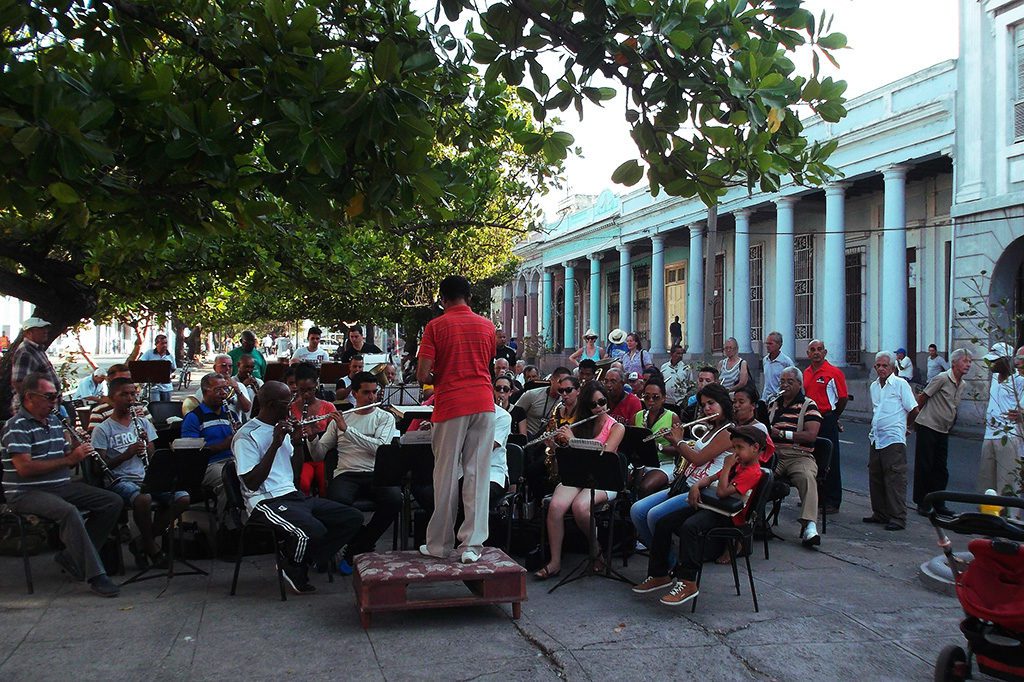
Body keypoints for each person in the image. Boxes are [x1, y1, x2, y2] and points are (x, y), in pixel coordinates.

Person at [232, 381, 363, 594]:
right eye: (288, 401)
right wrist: (275, 443)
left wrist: (298, 441)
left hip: (291, 495)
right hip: (264, 500)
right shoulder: (247, 435)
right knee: (312, 531)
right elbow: (251, 482)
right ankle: (294, 564)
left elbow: (294, 471)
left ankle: (298, 558)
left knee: (352, 517)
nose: (293, 404)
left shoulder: (282, 426)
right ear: (273, 404)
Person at [1, 373, 123, 596]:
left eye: (56, 396)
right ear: (29, 397)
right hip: (26, 492)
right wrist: (69, 459)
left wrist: (77, 445)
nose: (54, 401)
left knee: (112, 501)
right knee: (68, 512)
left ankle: (72, 557)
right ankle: (96, 575)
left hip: (59, 485)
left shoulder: (55, 421)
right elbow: (24, 468)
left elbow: (64, 454)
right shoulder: (16, 426)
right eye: (49, 396)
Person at [633, 425, 764, 606]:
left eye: (739, 448)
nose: (735, 452)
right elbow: (711, 478)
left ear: (755, 448)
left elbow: (722, 491)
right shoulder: (738, 464)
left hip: (728, 515)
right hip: (712, 506)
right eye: (734, 448)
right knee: (664, 522)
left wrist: (727, 466)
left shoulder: (751, 472)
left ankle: (688, 582)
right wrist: (696, 486)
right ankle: (659, 573)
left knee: (690, 527)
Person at [415, 275, 496, 563]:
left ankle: (439, 545)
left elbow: (423, 375)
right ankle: (472, 546)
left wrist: (443, 377)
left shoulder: (435, 326)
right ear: (469, 297)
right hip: (485, 403)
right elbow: (485, 365)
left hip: (451, 404)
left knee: (446, 476)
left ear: (443, 298)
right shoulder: (488, 326)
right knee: (477, 474)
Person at [93, 377, 189, 567]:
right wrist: (126, 454)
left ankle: (143, 541)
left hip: (146, 476)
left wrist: (146, 444)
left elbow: (153, 457)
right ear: (112, 398)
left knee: (182, 497)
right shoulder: (103, 429)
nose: (130, 399)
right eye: (124, 395)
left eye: (132, 394)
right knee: (143, 499)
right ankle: (152, 548)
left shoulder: (142, 422)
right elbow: (101, 467)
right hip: (120, 480)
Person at [534, 381, 625, 579]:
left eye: (602, 401)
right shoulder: (582, 423)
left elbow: (605, 453)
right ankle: (555, 562)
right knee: (556, 506)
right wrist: (556, 445)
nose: (598, 407)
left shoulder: (617, 427)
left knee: (581, 507)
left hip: (604, 479)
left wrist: (573, 440)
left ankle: (596, 549)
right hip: (578, 476)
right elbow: (570, 457)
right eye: (593, 404)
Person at [629, 384, 734, 555]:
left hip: (704, 491)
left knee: (654, 516)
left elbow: (698, 459)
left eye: (711, 403)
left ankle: (664, 564)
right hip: (685, 483)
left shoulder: (728, 432)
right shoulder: (712, 428)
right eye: (703, 405)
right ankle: (665, 558)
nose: (707, 408)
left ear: (724, 403)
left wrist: (678, 441)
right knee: (637, 510)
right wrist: (672, 440)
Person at [311, 371, 399, 571]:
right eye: (366, 393)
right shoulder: (342, 418)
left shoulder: (385, 418)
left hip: (376, 473)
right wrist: (311, 438)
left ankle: (357, 547)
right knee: (336, 504)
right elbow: (319, 454)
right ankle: (362, 543)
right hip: (346, 474)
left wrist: (347, 430)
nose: (372, 397)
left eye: (375, 392)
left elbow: (380, 448)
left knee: (395, 500)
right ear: (355, 394)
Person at [913, 348, 972, 516]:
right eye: (965, 361)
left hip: (943, 429)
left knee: (941, 468)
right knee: (925, 465)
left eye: (969, 362)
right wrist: (913, 421)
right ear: (954, 363)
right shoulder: (942, 378)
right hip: (928, 425)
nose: (968, 365)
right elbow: (923, 397)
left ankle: (939, 502)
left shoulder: (962, 384)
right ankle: (922, 502)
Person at [768, 366, 823, 547]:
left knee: (807, 477)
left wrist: (783, 434)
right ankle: (756, 520)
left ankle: (809, 526)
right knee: (757, 476)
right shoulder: (773, 404)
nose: (785, 385)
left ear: (799, 384)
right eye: (782, 381)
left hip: (799, 455)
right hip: (774, 453)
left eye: (790, 382)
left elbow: (811, 435)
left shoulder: (809, 405)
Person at [864, 351, 918, 531]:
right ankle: (880, 513)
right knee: (876, 476)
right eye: (878, 365)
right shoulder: (874, 387)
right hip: (877, 437)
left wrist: (906, 427)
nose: (881, 369)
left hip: (893, 438)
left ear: (893, 367)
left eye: (885, 365)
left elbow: (913, 410)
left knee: (894, 478)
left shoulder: (900, 384)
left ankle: (897, 517)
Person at [803, 339, 848, 513]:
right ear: (808, 354)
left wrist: (834, 416)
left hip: (826, 418)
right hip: (810, 419)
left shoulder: (833, 372)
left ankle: (832, 500)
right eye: (813, 350)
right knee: (811, 458)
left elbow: (842, 398)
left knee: (830, 460)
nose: (816, 352)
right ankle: (816, 498)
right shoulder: (805, 372)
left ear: (825, 352)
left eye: (819, 349)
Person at [181, 372, 237, 510]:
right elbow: (190, 452)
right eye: (218, 390)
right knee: (228, 481)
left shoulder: (231, 414)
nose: (224, 394)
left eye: (226, 389)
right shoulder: (194, 418)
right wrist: (222, 446)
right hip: (208, 465)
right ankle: (228, 525)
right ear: (205, 392)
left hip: (232, 460)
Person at [980, 343, 1024, 497]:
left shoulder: (1018, 380)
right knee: (986, 483)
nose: (992, 365)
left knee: (1007, 484)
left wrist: (1021, 416)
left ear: (1007, 360)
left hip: (1008, 435)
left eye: (996, 361)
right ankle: (987, 516)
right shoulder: (994, 378)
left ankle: (1009, 518)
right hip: (989, 434)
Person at [290, 363, 337, 497]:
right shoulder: (290, 408)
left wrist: (316, 430)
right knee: (303, 483)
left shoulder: (328, 407)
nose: (306, 394)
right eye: (302, 390)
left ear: (316, 385)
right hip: (301, 457)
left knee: (324, 484)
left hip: (323, 457)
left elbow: (334, 437)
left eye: (310, 389)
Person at [633, 379, 682, 497]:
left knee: (645, 487)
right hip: (641, 462)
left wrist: (658, 447)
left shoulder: (673, 417)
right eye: (647, 397)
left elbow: (679, 450)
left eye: (655, 397)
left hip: (664, 464)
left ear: (664, 398)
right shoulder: (637, 416)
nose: (650, 401)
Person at [10, 317, 60, 409]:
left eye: (46, 328)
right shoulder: (25, 351)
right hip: (35, 409)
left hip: (44, 406)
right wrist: (34, 405)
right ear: (28, 332)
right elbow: (19, 382)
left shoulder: (37, 349)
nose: (45, 331)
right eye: (40, 329)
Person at [515, 366, 571, 438]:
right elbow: (515, 414)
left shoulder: (566, 401)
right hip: (528, 439)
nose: (563, 386)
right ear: (552, 380)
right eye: (560, 382)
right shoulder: (531, 394)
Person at [139, 334, 177, 401]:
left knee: (166, 407)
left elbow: (173, 369)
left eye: (166, 343)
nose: (164, 345)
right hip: (153, 387)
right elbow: (140, 364)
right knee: (155, 407)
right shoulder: (149, 353)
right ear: (156, 344)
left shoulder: (170, 356)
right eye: (162, 343)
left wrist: (170, 375)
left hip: (167, 388)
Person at [761, 331, 794, 402]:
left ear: (779, 345)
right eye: (767, 343)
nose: (767, 346)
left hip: (779, 399)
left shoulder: (786, 362)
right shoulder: (765, 360)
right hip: (766, 399)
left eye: (770, 344)